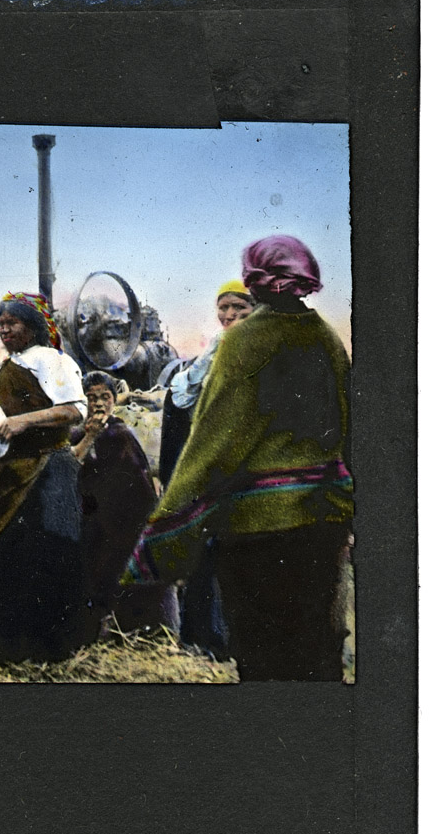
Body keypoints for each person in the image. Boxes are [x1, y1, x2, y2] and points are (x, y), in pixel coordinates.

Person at [126, 236, 353, 681]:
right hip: (324, 525)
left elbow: (214, 444)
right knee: (316, 652)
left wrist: (164, 535)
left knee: (264, 656)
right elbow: (347, 427)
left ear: (254, 281)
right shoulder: (326, 338)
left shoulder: (245, 342)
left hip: (260, 534)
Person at [0, 292, 87, 661]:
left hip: (48, 471)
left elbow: (74, 411)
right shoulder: (5, 367)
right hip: (10, 470)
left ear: (32, 327)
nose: (4, 330)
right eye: (0, 324)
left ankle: (47, 647)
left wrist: (23, 422)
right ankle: (8, 644)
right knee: (7, 553)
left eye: (12, 323)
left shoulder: (52, 361)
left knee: (46, 553)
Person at [157, 279, 256, 658]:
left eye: (239, 308)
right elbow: (183, 396)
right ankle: (198, 639)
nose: (229, 315)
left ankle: (229, 641)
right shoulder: (215, 349)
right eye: (224, 308)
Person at [73, 371, 177, 640]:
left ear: (114, 399)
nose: (99, 403)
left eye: (105, 397)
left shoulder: (122, 433)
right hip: (93, 520)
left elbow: (139, 480)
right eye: (92, 398)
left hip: (125, 522)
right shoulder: (76, 434)